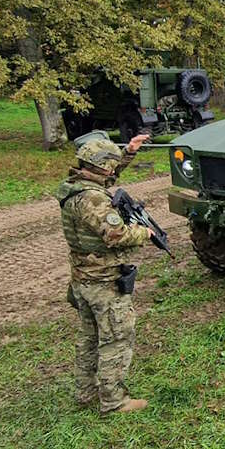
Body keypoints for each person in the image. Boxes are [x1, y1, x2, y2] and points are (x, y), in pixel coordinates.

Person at [57, 130, 154, 414]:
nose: (112, 170)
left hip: (82, 280)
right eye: (110, 164)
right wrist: (143, 233)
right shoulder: (94, 201)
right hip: (104, 283)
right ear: (101, 165)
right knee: (116, 338)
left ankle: (84, 393)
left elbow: (106, 177)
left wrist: (130, 153)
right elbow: (116, 235)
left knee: (88, 337)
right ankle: (113, 401)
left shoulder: (73, 186)